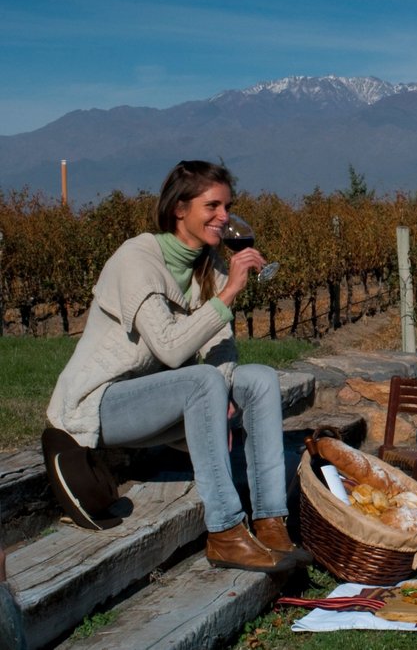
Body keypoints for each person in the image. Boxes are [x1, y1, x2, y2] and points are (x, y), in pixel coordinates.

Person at [45, 160, 305, 574]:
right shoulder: (137, 259)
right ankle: (224, 531)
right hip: (99, 403)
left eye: (227, 207)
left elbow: (221, 347)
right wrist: (232, 291)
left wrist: (223, 390)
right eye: (212, 207)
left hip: (161, 397)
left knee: (259, 379)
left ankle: (271, 522)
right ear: (179, 209)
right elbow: (168, 349)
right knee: (201, 381)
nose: (224, 218)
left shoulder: (210, 265)